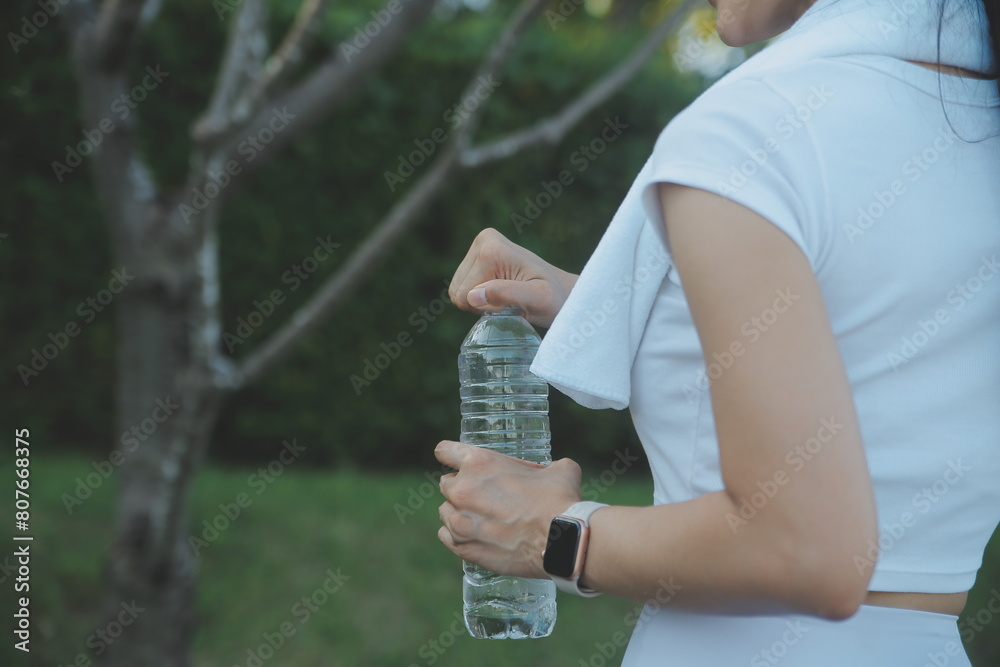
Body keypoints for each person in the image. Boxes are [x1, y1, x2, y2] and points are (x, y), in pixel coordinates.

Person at [436, 0, 1000, 663]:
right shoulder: (968, 119)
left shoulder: (750, 129)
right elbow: (873, 334)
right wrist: (599, 299)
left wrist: (553, 532)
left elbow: (804, 551)